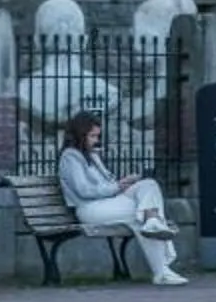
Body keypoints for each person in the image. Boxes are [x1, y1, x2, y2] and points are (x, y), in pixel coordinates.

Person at [56, 112, 187, 285]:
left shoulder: (92, 156)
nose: (96, 140)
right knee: (141, 214)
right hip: (90, 209)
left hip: (108, 203)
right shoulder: (70, 157)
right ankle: (161, 270)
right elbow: (84, 190)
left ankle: (154, 228)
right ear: (80, 134)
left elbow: (107, 184)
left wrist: (123, 183)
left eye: (97, 135)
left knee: (149, 185)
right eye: (92, 136)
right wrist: (117, 187)